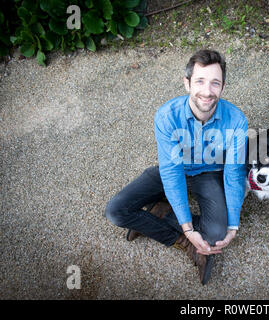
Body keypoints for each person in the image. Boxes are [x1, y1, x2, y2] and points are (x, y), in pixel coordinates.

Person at [105, 49, 248, 285]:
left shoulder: (237, 120)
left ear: (223, 87)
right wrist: (188, 230)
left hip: (208, 173)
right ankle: (180, 238)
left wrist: (234, 223)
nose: (207, 91)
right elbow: (171, 173)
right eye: (200, 81)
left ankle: (161, 213)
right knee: (116, 211)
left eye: (215, 83)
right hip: (173, 170)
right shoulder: (166, 116)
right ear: (187, 83)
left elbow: (233, 173)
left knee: (217, 234)